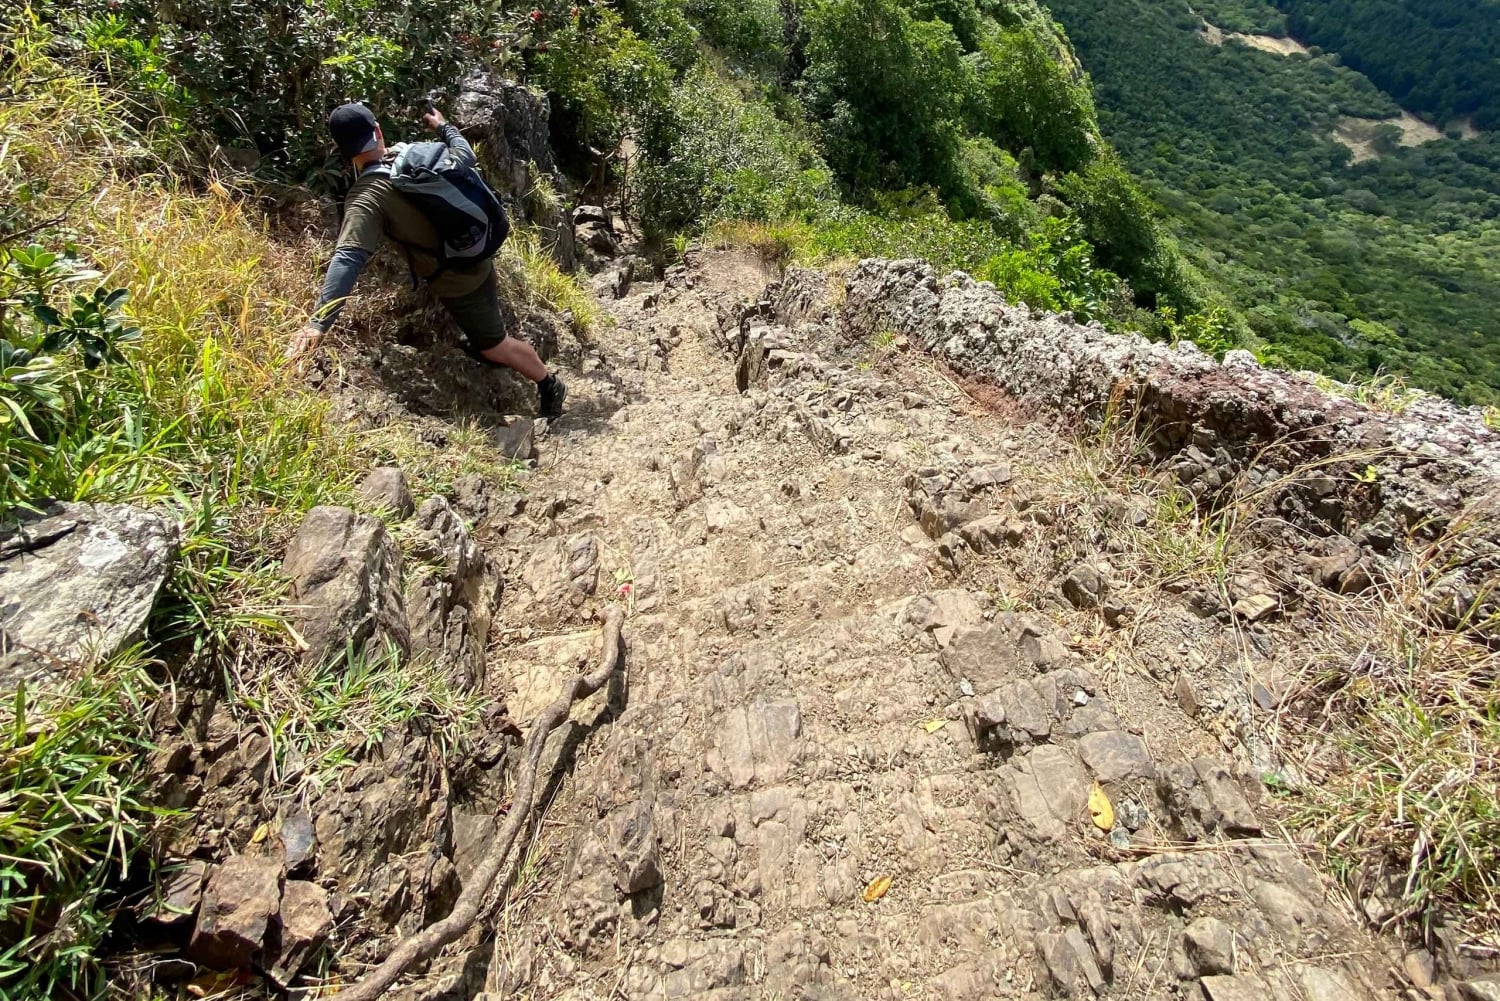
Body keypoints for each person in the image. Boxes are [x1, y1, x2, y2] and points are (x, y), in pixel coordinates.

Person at [288, 102, 567, 418]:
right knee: (484, 329)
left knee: (496, 344)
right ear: (377, 131)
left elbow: (348, 257)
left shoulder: (366, 197)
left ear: (343, 150)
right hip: (474, 253)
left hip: (459, 281)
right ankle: (486, 344)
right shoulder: (411, 155)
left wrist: (317, 324)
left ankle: (549, 384)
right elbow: (465, 155)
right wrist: (444, 127)